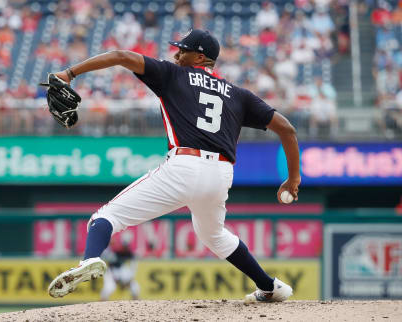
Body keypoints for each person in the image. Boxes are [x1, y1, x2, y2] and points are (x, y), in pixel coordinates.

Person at [47, 29, 301, 302]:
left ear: (200, 56)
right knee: (214, 236)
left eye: (183, 50)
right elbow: (287, 129)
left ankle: (89, 260)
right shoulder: (238, 95)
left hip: (184, 165)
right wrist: (293, 179)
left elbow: (121, 56)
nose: (176, 54)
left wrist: (69, 74)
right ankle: (270, 286)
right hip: (221, 174)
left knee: (105, 217)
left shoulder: (172, 74)